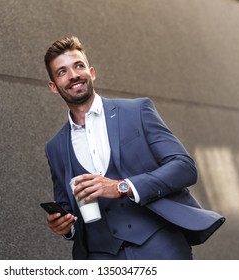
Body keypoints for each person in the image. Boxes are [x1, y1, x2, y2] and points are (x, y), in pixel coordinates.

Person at [43, 36, 224, 260]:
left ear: (91, 72)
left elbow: (184, 167)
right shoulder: (55, 147)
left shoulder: (137, 111)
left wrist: (122, 187)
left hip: (159, 247)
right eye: (62, 72)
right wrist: (65, 226)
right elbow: (67, 207)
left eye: (78, 66)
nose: (73, 75)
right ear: (53, 86)